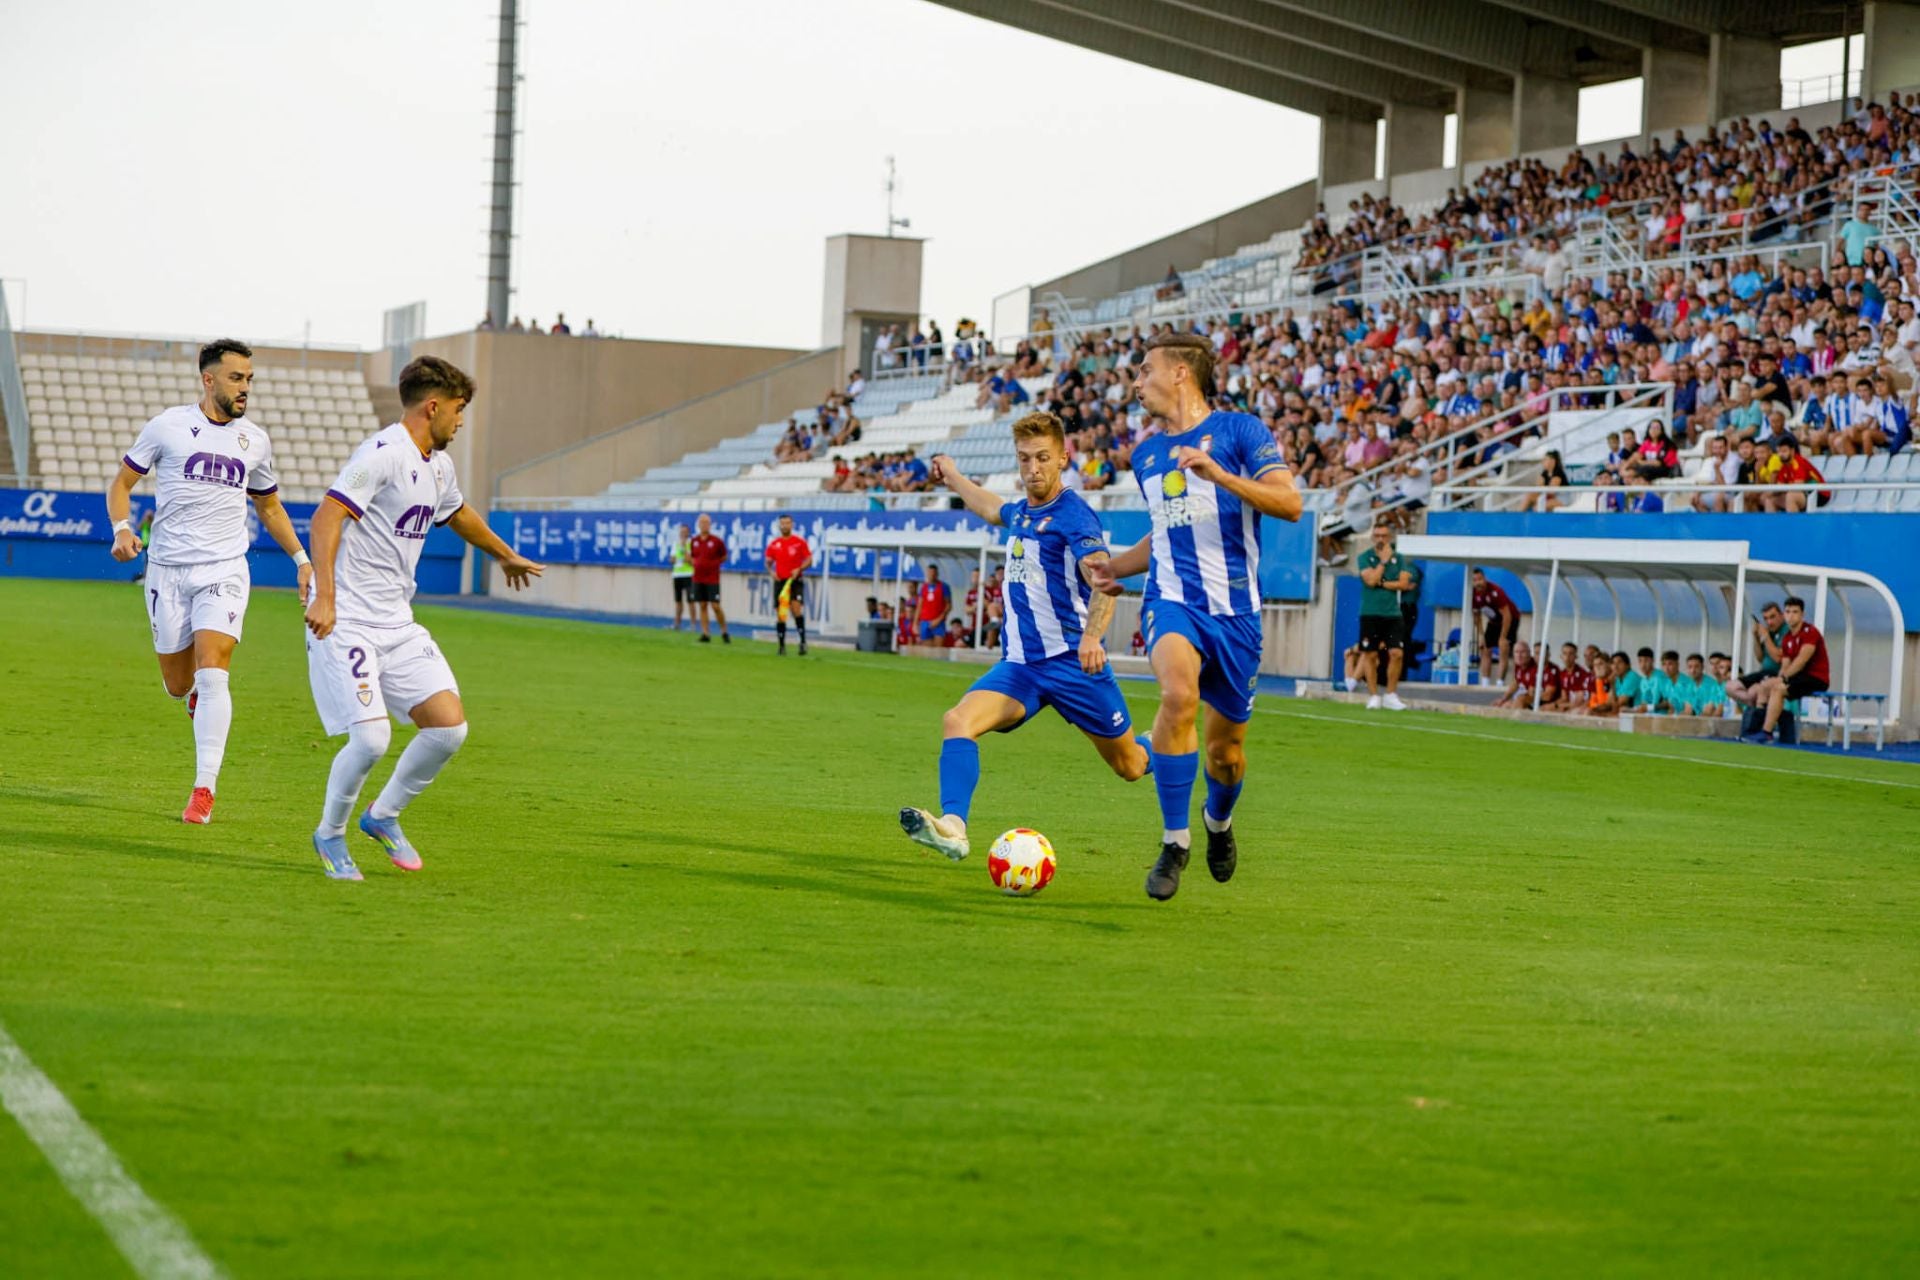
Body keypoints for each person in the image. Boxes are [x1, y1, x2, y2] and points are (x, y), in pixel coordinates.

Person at [302, 356, 544, 880]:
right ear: (433, 407)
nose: (461, 421)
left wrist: (504, 554)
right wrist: (325, 597)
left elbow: (457, 513)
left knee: (448, 729)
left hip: (397, 622)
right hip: (349, 620)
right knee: (371, 740)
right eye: (458, 409)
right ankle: (330, 833)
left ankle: (382, 815)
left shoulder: (438, 465)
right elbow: (326, 517)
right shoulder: (382, 454)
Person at [1088, 332, 1302, 902]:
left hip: (1236, 614)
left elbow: (1291, 504)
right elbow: (1164, 533)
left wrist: (1221, 475)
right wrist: (1116, 568)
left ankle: (1218, 822)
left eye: (1145, 369)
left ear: (1181, 372)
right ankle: (1174, 840)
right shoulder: (1146, 455)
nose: (1136, 382)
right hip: (1171, 600)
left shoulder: (1241, 432)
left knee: (1225, 756)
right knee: (1178, 696)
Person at [898, 413, 1150, 860]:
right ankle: (954, 827)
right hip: (1020, 668)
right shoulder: (1021, 513)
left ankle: (1164, 742)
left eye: (1042, 458)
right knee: (957, 721)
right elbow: (990, 506)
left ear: (1063, 458)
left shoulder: (1074, 516)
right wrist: (952, 475)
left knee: (1130, 765)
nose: (1033, 468)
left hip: (1072, 663)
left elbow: (1103, 578)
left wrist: (1093, 637)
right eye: (1025, 459)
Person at [106, 338, 312, 825]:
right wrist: (121, 528)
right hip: (168, 570)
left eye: (250, 379)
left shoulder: (255, 440)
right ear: (208, 379)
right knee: (178, 684)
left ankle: (204, 789)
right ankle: (192, 696)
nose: (245, 388)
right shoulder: (167, 427)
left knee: (214, 669)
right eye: (236, 378)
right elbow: (121, 484)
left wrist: (302, 560)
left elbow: (269, 506)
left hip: (224, 568)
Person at [1744, 596, 1829, 744]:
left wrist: (1782, 679)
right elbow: (1785, 664)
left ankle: (1767, 733)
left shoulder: (1810, 632)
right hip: (1798, 677)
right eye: (1788, 612)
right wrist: (1777, 678)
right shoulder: (1788, 637)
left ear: (1802, 614)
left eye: (1795, 612)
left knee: (1778, 689)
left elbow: (1801, 661)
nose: (1791, 615)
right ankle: (1754, 731)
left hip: (1815, 678)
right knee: (1764, 686)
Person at [1355, 523, 1413, 711]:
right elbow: (1370, 580)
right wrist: (1383, 563)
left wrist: (1382, 583)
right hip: (1370, 612)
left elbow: (1404, 584)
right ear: (1373, 537)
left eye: (1384, 536)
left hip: (1392, 613)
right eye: (1377, 535)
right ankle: (1373, 695)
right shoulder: (1365, 557)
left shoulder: (1400, 558)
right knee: (1370, 654)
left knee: (1397, 653)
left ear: (1390, 537)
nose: (1380, 539)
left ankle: (1390, 694)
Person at [764, 513, 812, 656]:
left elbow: (809, 560)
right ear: (779, 526)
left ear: (792, 525)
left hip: (794, 580)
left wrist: (799, 569)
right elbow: (768, 561)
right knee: (781, 614)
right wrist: (771, 572)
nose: (785, 526)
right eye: (782, 523)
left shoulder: (799, 542)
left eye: (787, 523)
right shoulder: (774, 544)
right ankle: (781, 646)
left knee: (796, 609)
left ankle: (802, 642)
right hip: (780, 582)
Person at [1470, 568, 1520, 685]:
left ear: (1485, 579)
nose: (1478, 583)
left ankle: (1499, 683)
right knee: (1485, 649)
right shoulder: (1472, 594)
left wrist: (1502, 637)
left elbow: (1507, 616)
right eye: (1475, 580)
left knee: (1503, 648)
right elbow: (1476, 617)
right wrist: (1481, 636)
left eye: (1480, 579)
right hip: (1494, 621)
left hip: (1511, 619)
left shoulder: (1495, 591)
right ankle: (1485, 683)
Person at [689, 514, 730, 644]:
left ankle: (724, 631)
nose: (704, 525)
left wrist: (714, 564)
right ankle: (706, 633)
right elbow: (692, 557)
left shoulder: (717, 541)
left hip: (712, 578)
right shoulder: (694, 541)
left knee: (715, 606)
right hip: (698, 578)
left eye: (706, 523)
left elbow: (724, 556)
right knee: (702, 605)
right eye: (702, 522)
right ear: (698, 525)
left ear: (710, 525)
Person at [916, 563, 952, 643]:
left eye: (933, 573)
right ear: (927, 573)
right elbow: (919, 606)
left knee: (938, 647)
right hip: (925, 622)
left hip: (938, 622)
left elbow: (948, 605)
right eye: (930, 573)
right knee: (926, 647)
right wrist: (915, 623)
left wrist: (939, 619)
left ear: (937, 574)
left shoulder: (944, 587)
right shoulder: (923, 587)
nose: (932, 575)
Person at [669, 523, 694, 631]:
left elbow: (690, 560)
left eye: (685, 532)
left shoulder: (691, 544)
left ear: (688, 533)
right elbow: (672, 559)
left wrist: (684, 548)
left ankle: (693, 625)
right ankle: (677, 623)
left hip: (688, 575)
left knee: (690, 600)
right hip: (677, 574)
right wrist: (674, 559)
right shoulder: (675, 544)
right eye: (681, 532)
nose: (683, 534)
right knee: (678, 601)